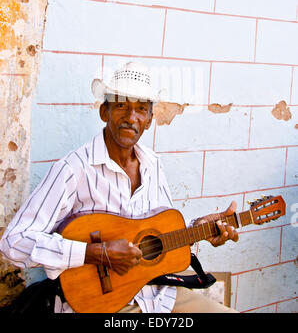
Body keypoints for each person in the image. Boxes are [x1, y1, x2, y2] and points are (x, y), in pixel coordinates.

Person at [0, 62, 239, 313]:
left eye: (140, 109)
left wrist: (199, 228)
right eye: (121, 105)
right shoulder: (74, 169)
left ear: (149, 120)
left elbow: (159, 231)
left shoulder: (153, 165)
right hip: (100, 303)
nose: (130, 117)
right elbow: (13, 242)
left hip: (157, 297)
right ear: (105, 111)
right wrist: (95, 253)